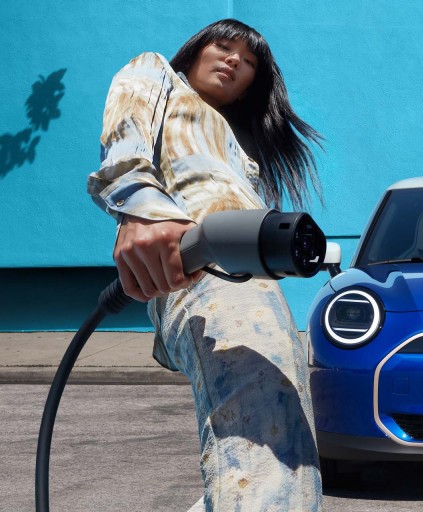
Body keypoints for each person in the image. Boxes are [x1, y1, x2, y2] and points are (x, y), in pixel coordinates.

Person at [87, 19, 323, 511]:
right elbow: (126, 135)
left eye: (251, 62)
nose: (236, 60)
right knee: (265, 435)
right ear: (194, 52)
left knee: (287, 442)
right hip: (199, 268)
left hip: (254, 285)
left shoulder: (239, 150)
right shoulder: (158, 75)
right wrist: (139, 208)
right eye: (224, 46)